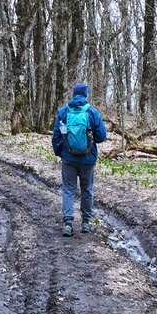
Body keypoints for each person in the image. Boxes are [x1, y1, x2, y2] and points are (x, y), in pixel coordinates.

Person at [52, 82, 109, 237]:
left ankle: (68, 223)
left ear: (73, 94)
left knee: (69, 189)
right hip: (88, 159)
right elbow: (102, 136)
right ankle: (85, 222)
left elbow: (56, 135)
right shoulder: (92, 112)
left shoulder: (64, 111)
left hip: (68, 158)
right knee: (87, 189)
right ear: (85, 95)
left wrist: (60, 152)